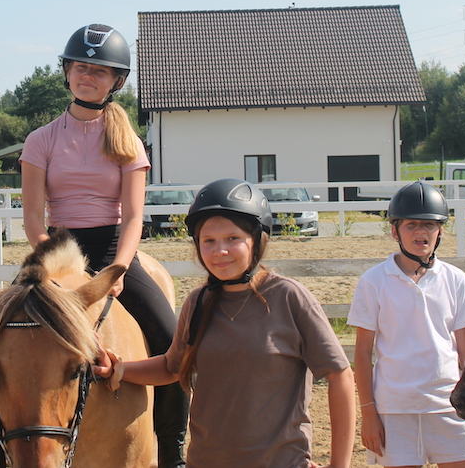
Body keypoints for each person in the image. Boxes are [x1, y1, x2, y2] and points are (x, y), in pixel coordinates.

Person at [14, 23, 189, 468]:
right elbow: (33, 218)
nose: (87, 76)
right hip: (56, 252)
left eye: (99, 70)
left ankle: (172, 449)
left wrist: (120, 270)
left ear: (116, 81)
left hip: (113, 249)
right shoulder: (40, 140)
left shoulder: (128, 142)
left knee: (172, 341)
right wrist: (57, 266)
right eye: (80, 67)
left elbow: (133, 218)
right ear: (66, 72)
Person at [95, 178, 356, 468]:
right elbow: (171, 367)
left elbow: (340, 376)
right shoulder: (198, 302)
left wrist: (339, 464)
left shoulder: (289, 298)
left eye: (233, 238)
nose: (220, 251)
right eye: (209, 241)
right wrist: (119, 369)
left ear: (256, 240)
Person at [348, 181, 465, 468]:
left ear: (440, 231)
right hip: (395, 409)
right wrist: (369, 414)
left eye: (428, 225)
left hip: (451, 405)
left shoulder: (455, 279)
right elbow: (362, 353)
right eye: (411, 225)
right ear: (395, 231)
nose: (420, 232)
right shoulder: (373, 282)